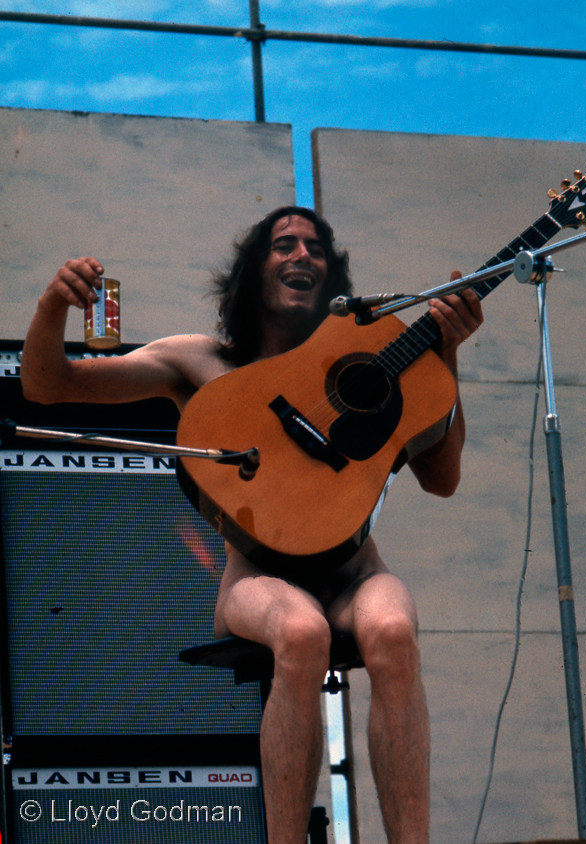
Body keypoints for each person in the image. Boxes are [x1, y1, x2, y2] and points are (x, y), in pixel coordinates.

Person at [21, 205, 483, 844]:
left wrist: (448, 353)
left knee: (394, 628)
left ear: (334, 276)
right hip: (258, 580)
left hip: (356, 571)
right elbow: (47, 385)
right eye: (283, 244)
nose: (302, 255)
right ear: (252, 271)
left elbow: (444, 478)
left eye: (316, 248)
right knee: (300, 632)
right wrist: (52, 304)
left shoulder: (366, 357)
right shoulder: (201, 362)